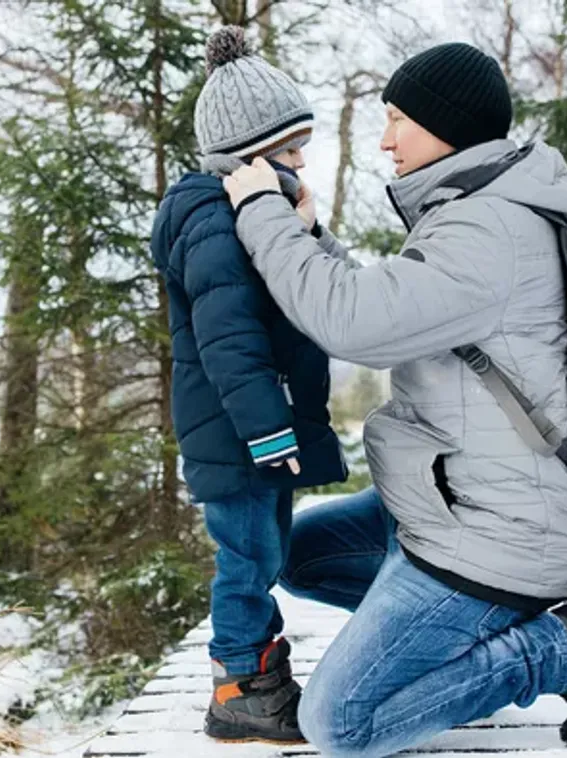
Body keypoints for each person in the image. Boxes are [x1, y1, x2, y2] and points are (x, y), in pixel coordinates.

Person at [221, 41, 567, 756]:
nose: (385, 141)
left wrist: (261, 210)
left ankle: (563, 648)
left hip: (498, 533)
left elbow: (352, 323)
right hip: (450, 502)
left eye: (397, 120)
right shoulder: (480, 210)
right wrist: (312, 237)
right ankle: (465, 639)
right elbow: (393, 303)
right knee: (300, 556)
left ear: (446, 125)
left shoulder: (490, 229)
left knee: (340, 724)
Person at [149, 25, 347, 744]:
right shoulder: (212, 222)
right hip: (238, 433)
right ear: (250, 156)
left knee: (262, 552)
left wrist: (305, 231)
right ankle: (239, 686)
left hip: (252, 430)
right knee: (246, 559)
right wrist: (267, 428)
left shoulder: (245, 216)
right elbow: (228, 339)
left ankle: (260, 674)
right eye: (290, 151)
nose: (302, 162)